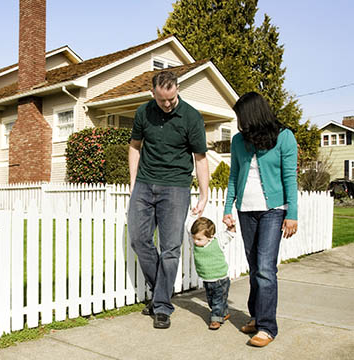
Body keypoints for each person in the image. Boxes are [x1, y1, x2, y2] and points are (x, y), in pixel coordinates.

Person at [128, 70, 209, 329]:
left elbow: (200, 157)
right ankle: (161, 291)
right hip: (144, 184)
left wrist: (204, 193)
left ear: (177, 90)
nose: (167, 104)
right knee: (139, 241)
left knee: (171, 248)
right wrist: (133, 183)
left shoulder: (191, 117)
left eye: (172, 99)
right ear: (153, 93)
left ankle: (162, 306)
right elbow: (134, 146)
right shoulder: (143, 112)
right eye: (162, 99)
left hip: (175, 187)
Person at [223, 91, 298, 347]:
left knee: (266, 268)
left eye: (241, 117)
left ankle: (267, 327)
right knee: (254, 267)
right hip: (246, 210)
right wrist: (227, 209)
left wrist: (292, 214)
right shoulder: (238, 141)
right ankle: (256, 316)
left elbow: (290, 178)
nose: (239, 123)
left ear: (253, 115)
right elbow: (234, 176)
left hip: (273, 210)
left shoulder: (284, 137)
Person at [187, 216, 235, 330]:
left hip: (220, 279)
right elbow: (188, 229)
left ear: (210, 237)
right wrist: (193, 216)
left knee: (217, 301)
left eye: (199, 239)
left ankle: (215, 319)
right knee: (212, 300)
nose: (195, 241)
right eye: (194, 238)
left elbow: (230, 235)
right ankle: (224, 313)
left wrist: (231, 227)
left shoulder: (218, 241)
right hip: (207, 279)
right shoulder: (195, 243)